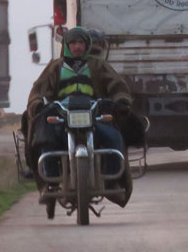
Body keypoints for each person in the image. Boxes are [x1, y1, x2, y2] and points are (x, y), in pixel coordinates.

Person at [24, 26, 140, 212]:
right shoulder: (55, 67)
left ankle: (112, 182)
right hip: (61, 116)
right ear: (66, 45)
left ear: (87, 45)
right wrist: (37, 103)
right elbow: (38, 90)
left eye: (81, 43)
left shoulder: (98, 65)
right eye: (73, 43)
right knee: (46, 139)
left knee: (113, 138)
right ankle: (50, 182)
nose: (77, 47)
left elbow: (117, 85)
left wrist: (121, 100)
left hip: (94, 114)